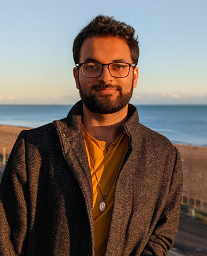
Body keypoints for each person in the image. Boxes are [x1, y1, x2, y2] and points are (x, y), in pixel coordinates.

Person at [0, 15, 183, 256]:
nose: (105, 77)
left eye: (118, 66)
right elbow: (6, 239)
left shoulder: (163, 155)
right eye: (92, 66)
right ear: (77, 77)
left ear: (135, 76)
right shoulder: (33, 148)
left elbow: (162, 233)